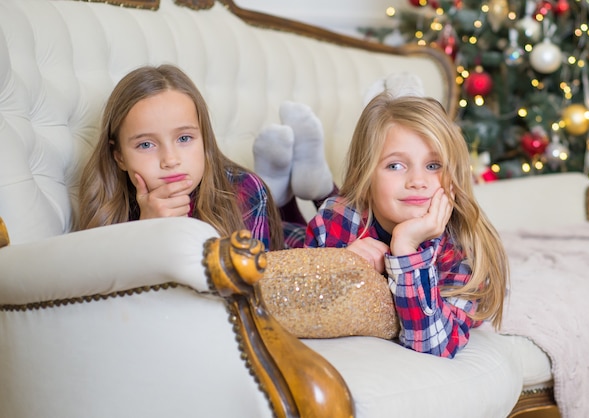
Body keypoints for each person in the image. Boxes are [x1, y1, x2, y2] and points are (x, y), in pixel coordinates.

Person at [305, 94, 509, 358]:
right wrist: (343, 265)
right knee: (285, 233)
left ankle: (310, 181)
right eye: (396, 165)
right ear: (366, 177)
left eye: (433, 165)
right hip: (331, 215)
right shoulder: (339, 217)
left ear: (454, 176)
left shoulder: (463, 249)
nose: (417, 181)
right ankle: (295, 188)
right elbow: (305, 304)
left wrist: (406, 250)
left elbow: (434, 344)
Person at [77, 64, 333, 251]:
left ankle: (318, 183)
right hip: (277, 230)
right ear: (119, 156)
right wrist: (147, 232)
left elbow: (247, 295)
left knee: (345, 232)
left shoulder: (244, 189)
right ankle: (282, 187)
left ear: (204, 140)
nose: (170, 159)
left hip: (297, 250)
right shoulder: (107, 206)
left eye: (184, 139)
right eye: (146, 144)